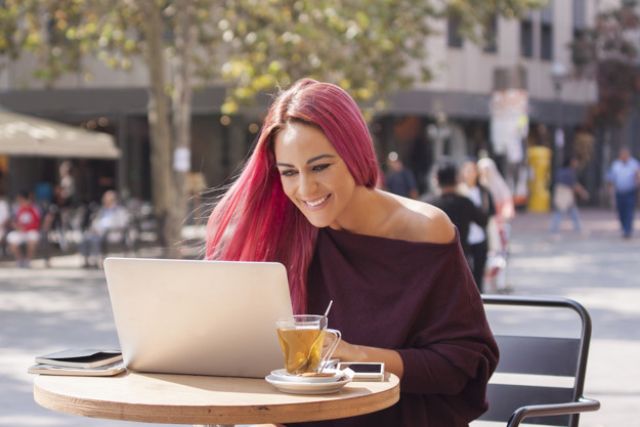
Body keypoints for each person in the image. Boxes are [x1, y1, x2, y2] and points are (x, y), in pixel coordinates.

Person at [205, 79, 499, 426]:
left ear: (354, 153)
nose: (305, 189)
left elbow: (460, 365)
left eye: (320, 167)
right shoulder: (284, 235)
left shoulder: (424, 229)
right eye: (288, 173)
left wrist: (352, 355)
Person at [427, 162, 489, 257]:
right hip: (460, 260)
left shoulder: (428, 204)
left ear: (436, 179)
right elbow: (483, 220)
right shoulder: (465, 202)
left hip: (435, 262)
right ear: (457, 179)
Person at [477, 157, 514, 293]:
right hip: (483, 226)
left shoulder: (499, 185)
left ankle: (500, 283)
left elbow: (507, 204)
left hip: (499, 225)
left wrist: (503, 217)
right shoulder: (478, 187)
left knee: (500, 255)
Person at [460, 160, 495, 292]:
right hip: (464, 238)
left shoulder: (484, 191)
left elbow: (490, 213)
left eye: (472, 170)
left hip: (480, 237)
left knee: (479, 273)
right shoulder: (460, 191)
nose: (470, 173)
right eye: (467, 170)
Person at [79, 190, 129, 268]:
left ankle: (96, 260)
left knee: (95, 240)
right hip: (98, 232)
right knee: (86, 238)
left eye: (108, 199)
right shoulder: (102, 210)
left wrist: (107, 229)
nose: (105, 201)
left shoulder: (119, 211)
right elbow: (95, 222)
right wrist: (93, 229)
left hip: (112, 233)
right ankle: (87, 260)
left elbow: (123, 224)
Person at [607, 147, 640, 239]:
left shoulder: (634, 164)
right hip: (619, 192)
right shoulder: (615, 165)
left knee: (629, 211)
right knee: (621, 212)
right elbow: (610, 178)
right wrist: (610, 190)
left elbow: (638, 176)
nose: (624, 156)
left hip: (630, 191)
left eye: (626, 155)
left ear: (628, 155)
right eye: (622, 155)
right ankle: (624, 227)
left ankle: (627, 230)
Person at [550, 157, 589, 234]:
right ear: (571, 162)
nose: (576, 164)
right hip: (565, 194)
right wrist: (583, 193)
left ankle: (579, 229)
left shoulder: (561, 171)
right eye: (575, 162)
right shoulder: (569, 172)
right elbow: (574, 185)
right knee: (560, 212)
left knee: (572, 212)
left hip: (561, 193)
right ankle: (554, 230)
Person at [7, 191, 41, 268]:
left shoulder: (34, 208)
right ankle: (20, 260)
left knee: (33, 238)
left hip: (31, 231)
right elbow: (14, 221)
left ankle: (28, 261)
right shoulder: (17, 209)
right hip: (20, 232)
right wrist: (16, 226)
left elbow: (37, 223)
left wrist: (26, 228)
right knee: (11, 237)